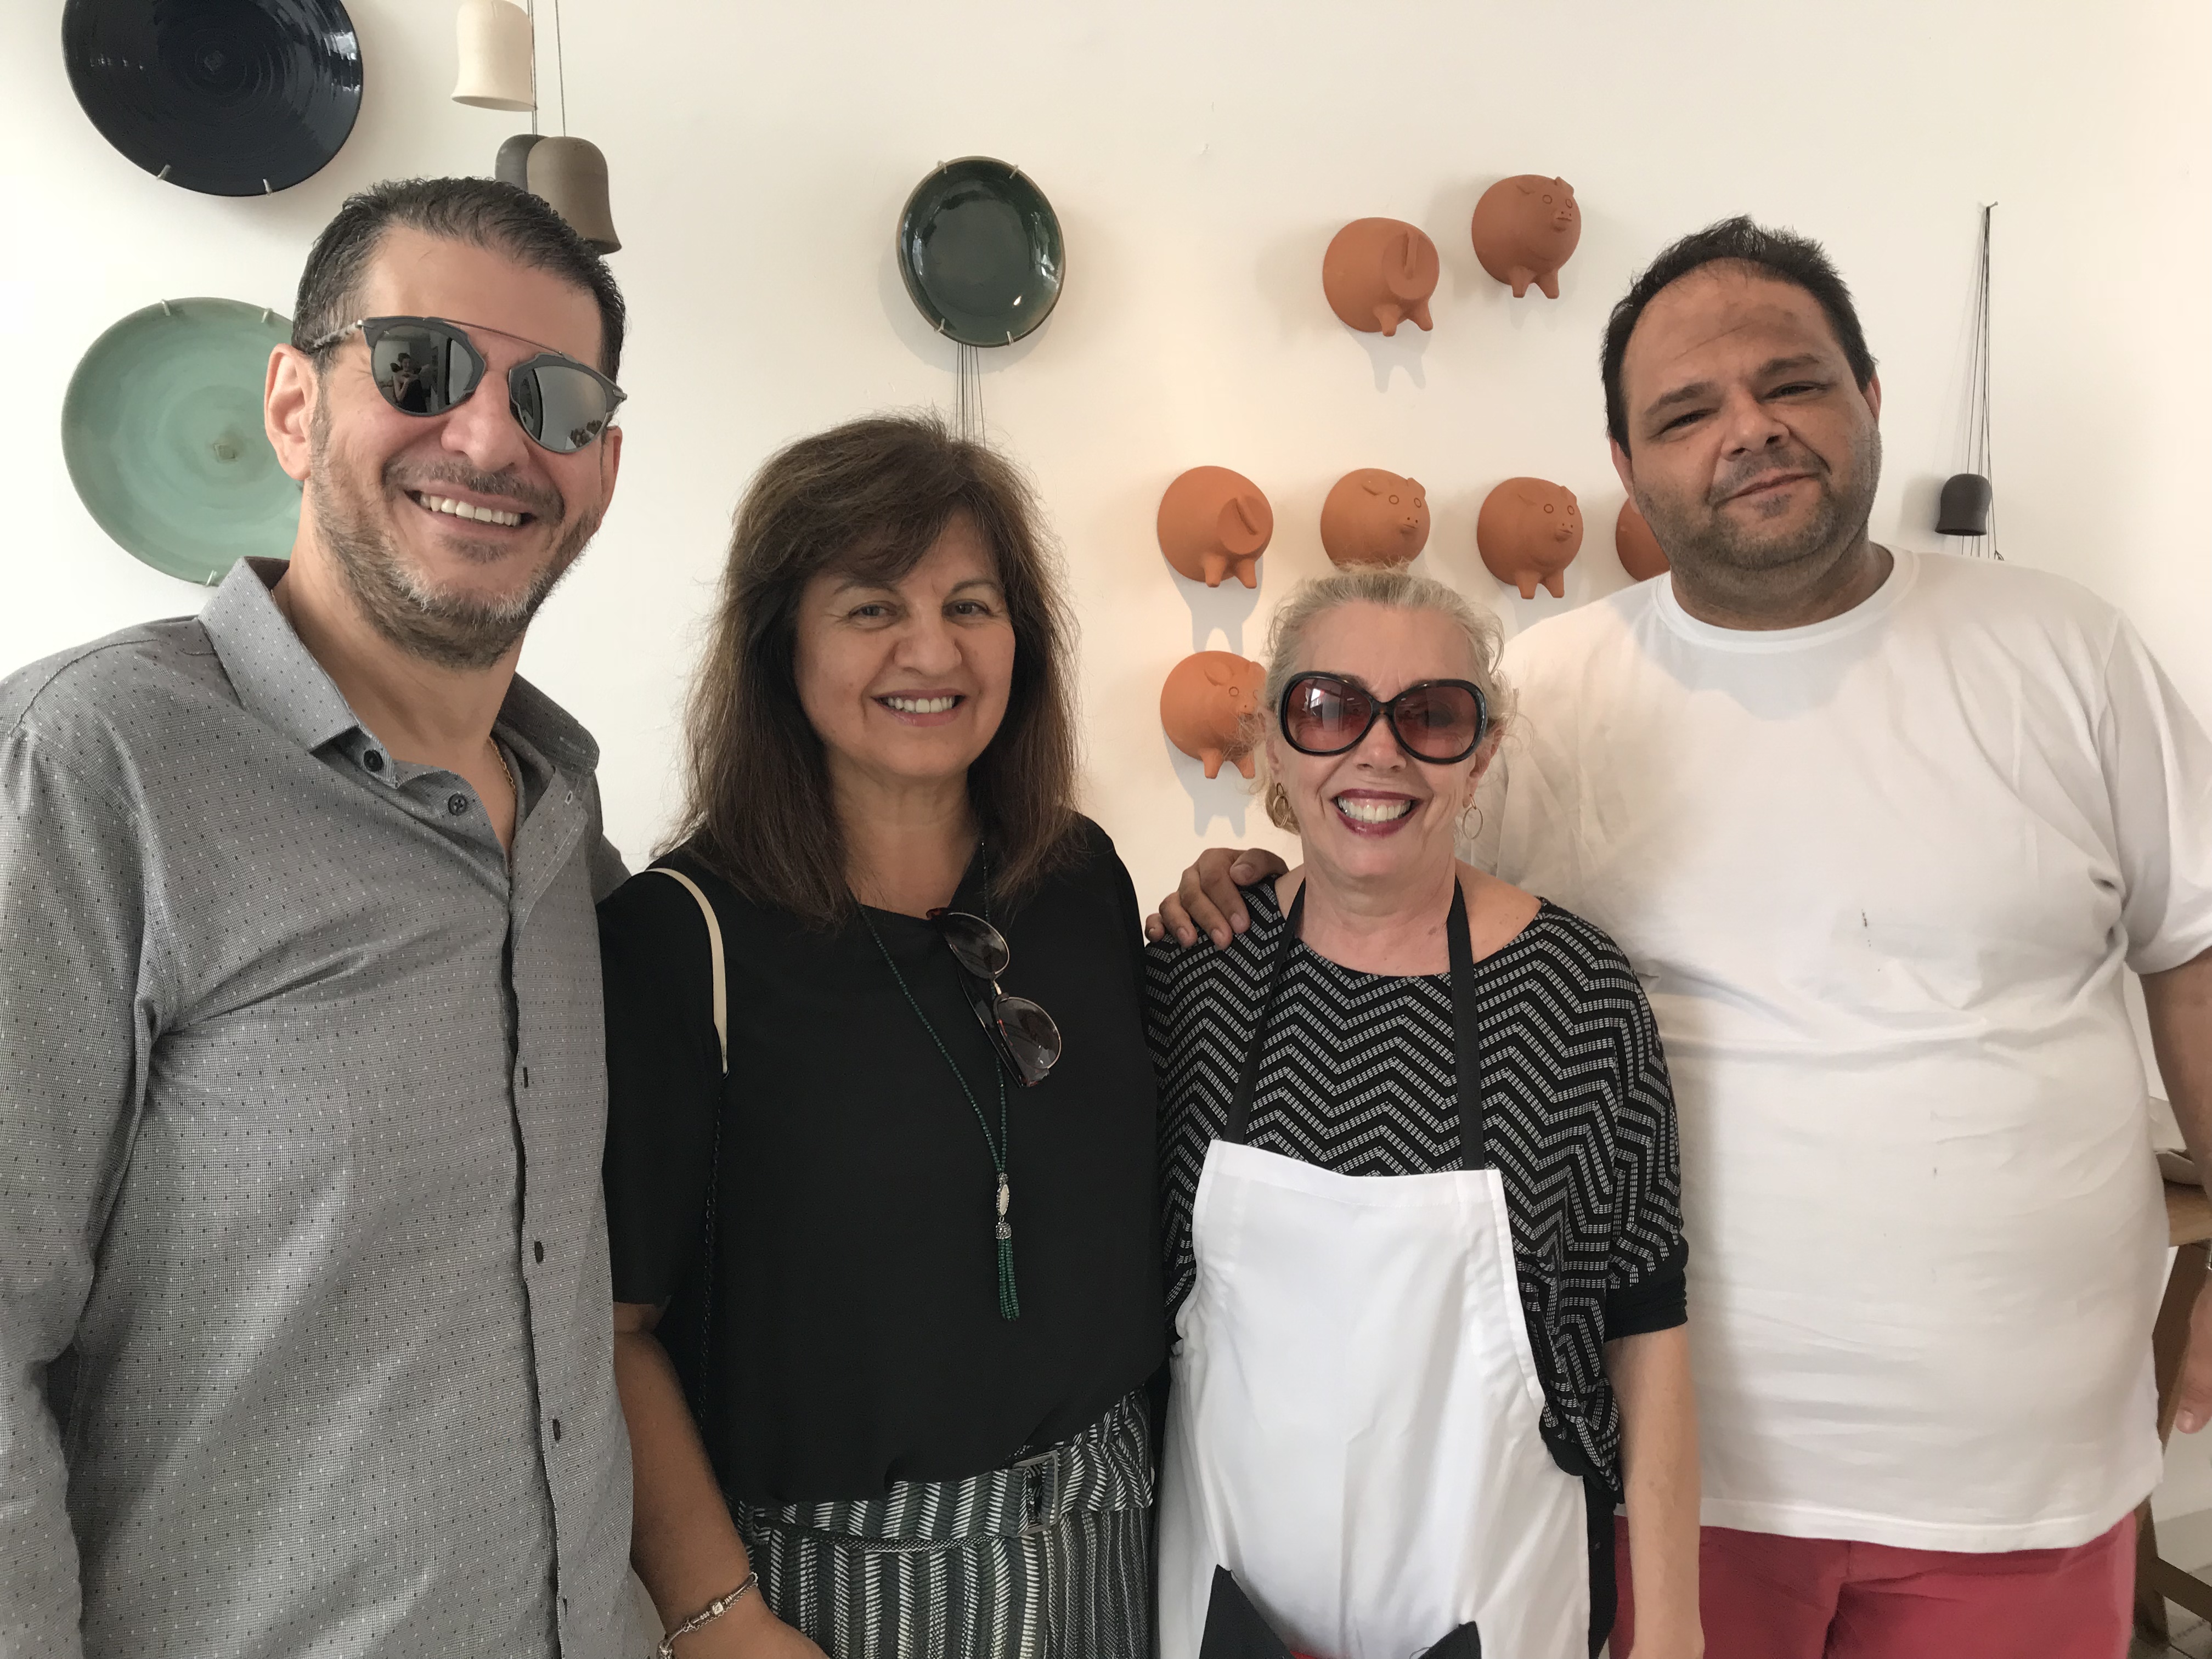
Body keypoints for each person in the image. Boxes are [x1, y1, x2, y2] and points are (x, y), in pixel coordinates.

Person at [1156, 217, 2212, 1659]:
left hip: (2016, 1489)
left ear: (1872, 397)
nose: (1751, 432)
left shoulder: (2065, 655)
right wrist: (1246, 878)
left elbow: (2196, 960)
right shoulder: (1563, 684)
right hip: (1669, 1496)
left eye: (1794, 383)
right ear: (1629, 466)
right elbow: (1396, 867)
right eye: (1687, 411)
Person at [0, 178, 647, 1657]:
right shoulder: (89, 765)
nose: (489, 439)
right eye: (420, 369)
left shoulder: (566, 827)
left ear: (603, 465)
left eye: (556, 401)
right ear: (293, 403)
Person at [599, 414, 1164, 1659]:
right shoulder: (678, 939)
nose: (932, 650)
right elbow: (614, 1328)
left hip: (1112, 1536)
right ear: (778, 642)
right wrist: (716, 1616)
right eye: (868, 609)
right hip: (830, 1586)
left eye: (972, 604)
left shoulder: (1081, 882)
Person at [1148, 568, 1699, 1659]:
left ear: (1483, 751)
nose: (1378, 751)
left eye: (1432, 716)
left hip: (1500, 1601)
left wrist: (1672, 1622)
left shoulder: (1576, 993)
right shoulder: (1192, 972)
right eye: (1328, 709)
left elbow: (1649, 1320)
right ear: (1268, 742)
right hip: (1224, 1603)